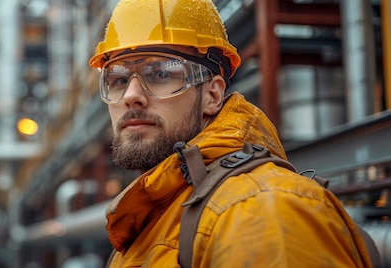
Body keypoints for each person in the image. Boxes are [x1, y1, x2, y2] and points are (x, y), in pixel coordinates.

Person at [88, 0, 376, 267]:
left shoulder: (264, 209)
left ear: (212, 94)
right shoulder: (147, 222)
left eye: (161, 74)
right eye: (119, 79)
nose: (131, 95)